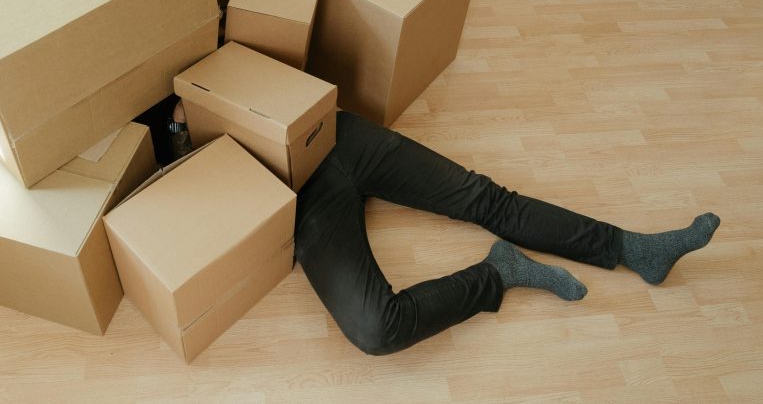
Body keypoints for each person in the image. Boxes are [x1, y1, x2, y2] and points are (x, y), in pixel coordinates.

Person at [294, 111, 721, 356]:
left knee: (487, 199)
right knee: (376, 330)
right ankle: (499, 273)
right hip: (291, 194)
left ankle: (634, 248)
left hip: (325, 131)